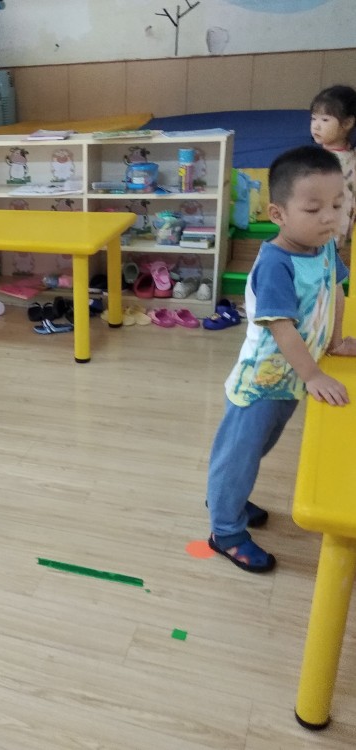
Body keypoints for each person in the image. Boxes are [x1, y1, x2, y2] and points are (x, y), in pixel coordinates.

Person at [206, 145, 356, 573]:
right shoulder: (276, 264)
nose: (329, 217)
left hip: (292, 378)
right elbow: (282, 328)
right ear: (278, 214)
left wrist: (335, 341)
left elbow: (335, 288)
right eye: (313, 208)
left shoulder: (322, 247)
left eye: (337, 205)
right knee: (239, 455)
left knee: (259, 448)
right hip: (261, 383)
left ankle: (228, 496)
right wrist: (313, 374)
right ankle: (225, 530)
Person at [310, 84, 356, 267]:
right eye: (313, 118)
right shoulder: (325, 157)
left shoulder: (332, 160)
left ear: (347, 123)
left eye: (325, 120)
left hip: (328, 228)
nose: (316, 125)